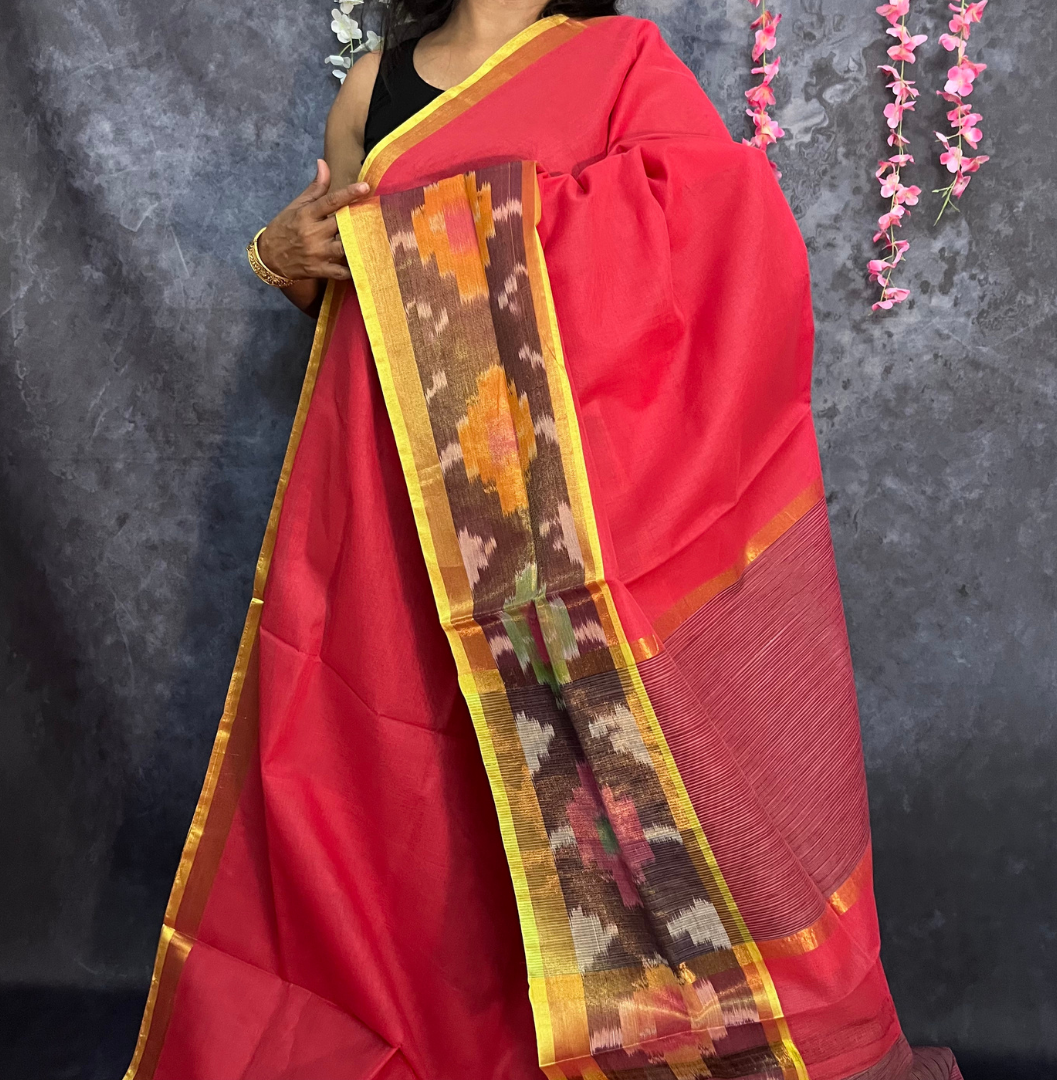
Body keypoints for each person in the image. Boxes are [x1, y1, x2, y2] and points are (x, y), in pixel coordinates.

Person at [123, 2, 963, 1078]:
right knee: (404, 802)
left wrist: (452, 238)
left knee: (583, 798)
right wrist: (279, 256)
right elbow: (352, 289)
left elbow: (715, 229)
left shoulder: (619, 65)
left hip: (567, 547)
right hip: (401, 526)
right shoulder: (372, 90)